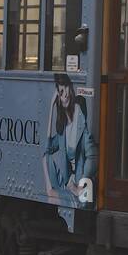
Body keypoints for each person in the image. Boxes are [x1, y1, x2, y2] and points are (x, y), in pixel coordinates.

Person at [44, 73, 98, 204]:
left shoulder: (81, 122)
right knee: (46, 158)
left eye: (67, 88)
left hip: (81, 185)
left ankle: (56, 194)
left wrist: (82, 184)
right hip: (69, 184)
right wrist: (51, 109)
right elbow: (47, 149)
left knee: (62, 198)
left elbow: (93, 156)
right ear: (58, 100)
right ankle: (53, 192)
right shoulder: (63, 131)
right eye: (61, 92)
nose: (65, 94)